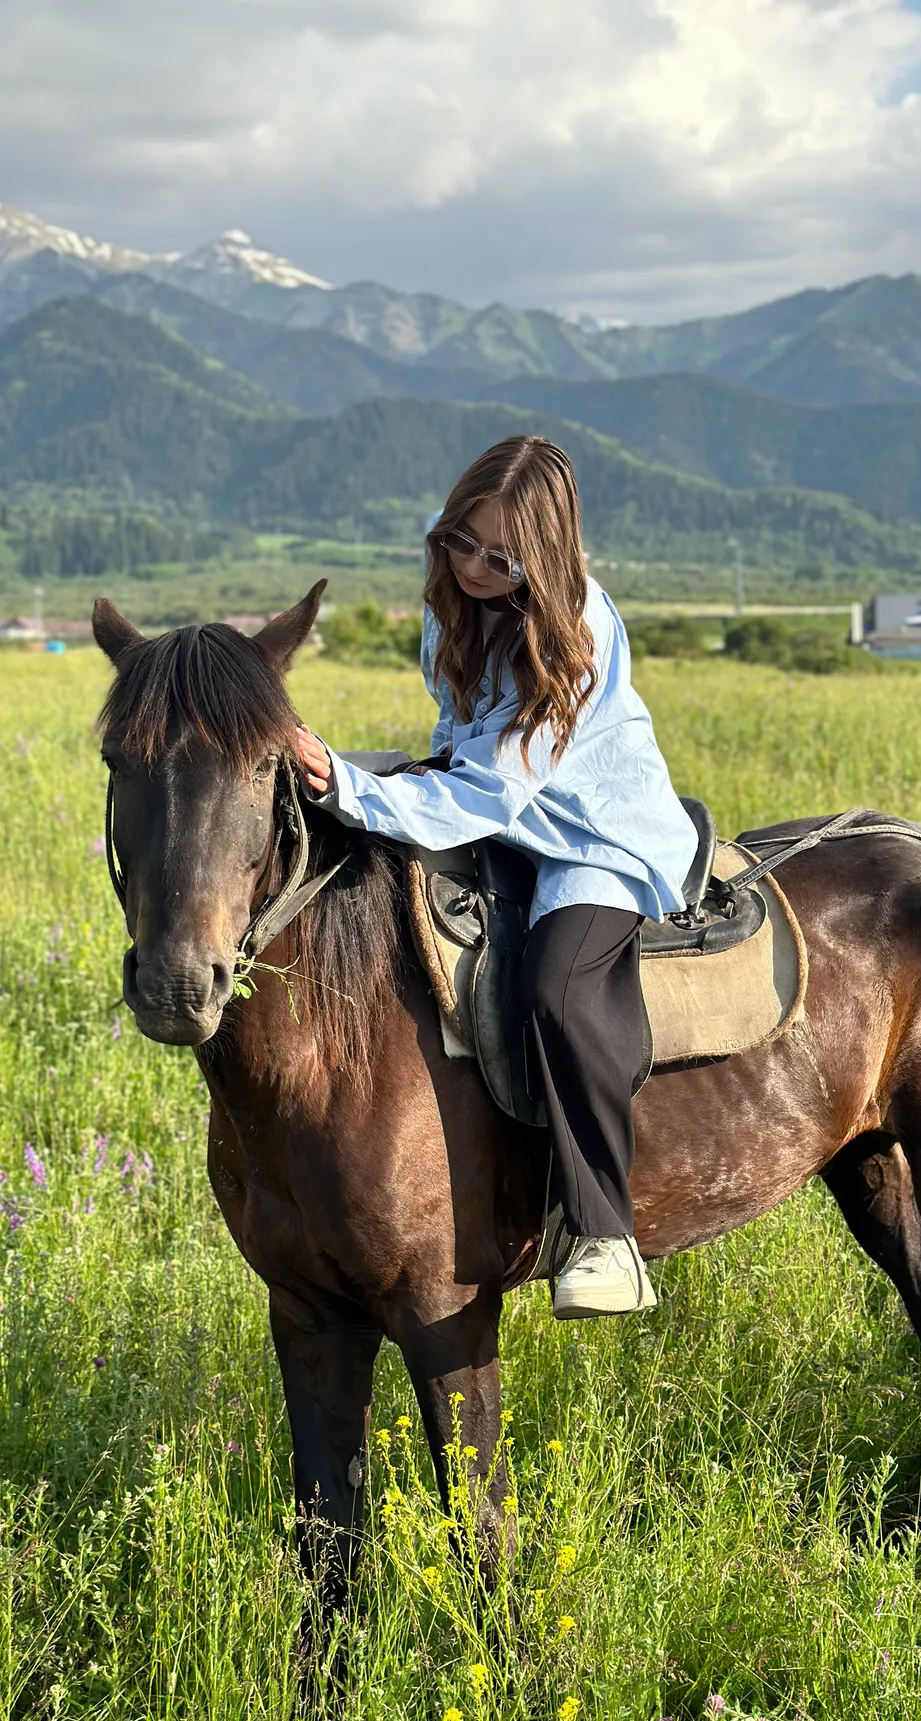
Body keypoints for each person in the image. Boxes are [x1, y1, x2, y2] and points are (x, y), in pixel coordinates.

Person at [295, 435, 697, 1318]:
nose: (474, 567)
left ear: (543, 558)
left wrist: (352, 785)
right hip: (501, 813)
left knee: (557, 986)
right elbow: (460, 739)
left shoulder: (576, 630)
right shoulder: (453, 603)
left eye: (501, 558)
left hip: (589, 835)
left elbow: (496, 788)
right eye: (460, 542)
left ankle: (605, 1234)